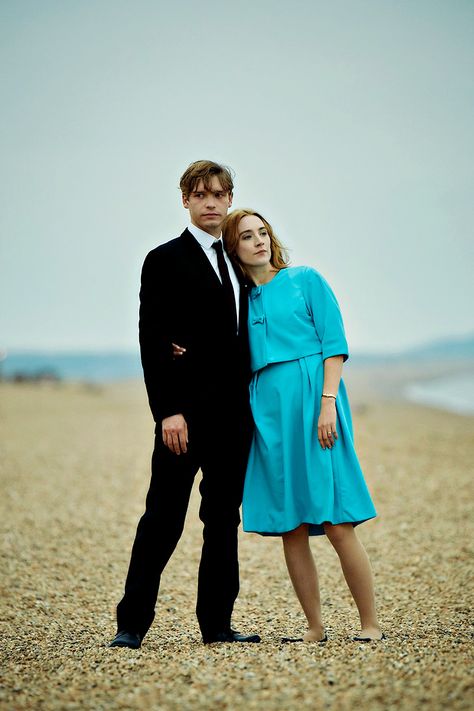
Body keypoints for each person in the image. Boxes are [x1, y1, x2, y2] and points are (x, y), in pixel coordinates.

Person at [109, 162, 260, 648]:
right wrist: (167, 411)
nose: (211, 202)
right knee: (163, 517)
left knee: (222, 521)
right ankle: (131, 624)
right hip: (185, 416)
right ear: (186, 201)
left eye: (219, 194)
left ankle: (217, 626)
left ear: (230, 198)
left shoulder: (240, 262)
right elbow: (152, 338)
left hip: (235, 418)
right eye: (201, 195)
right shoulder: (163, 259)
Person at [221, 208, 384, 643]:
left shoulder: (306, 279)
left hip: (316, 402)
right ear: (233, 249)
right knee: (291, 523)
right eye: (247, 237)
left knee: (335, 518)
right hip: (270, 415)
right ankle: (315, 627)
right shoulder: (240, 301)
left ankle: (370, 624)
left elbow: (334, 345)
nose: (259, 241)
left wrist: (328, 403)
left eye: (263, 233)